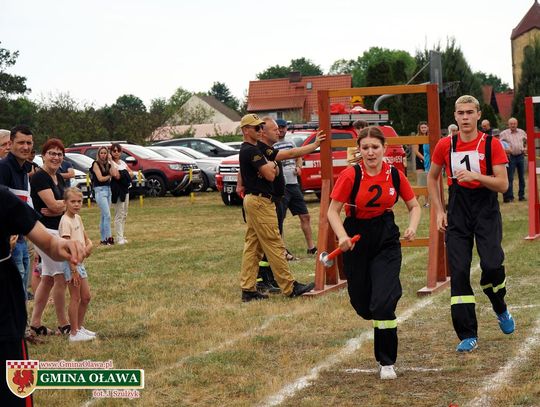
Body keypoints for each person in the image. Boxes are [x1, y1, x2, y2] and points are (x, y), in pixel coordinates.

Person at [327, 126, 420, 380]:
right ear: (359, 149)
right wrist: (342, 236)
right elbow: (332, 211)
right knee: (363, 305)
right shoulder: (350, 175)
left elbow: (413, 206)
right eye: (365, 148)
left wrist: (412, 227)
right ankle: (374, 308)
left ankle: (387, 362)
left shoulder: (395, 175)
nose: (370, 152)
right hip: (356, 236)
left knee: (383, 303)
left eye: (375, 147)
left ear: (384, 148)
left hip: (386, 236)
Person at [427, 95, 514, 353]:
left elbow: (503, 184)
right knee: (460, 271)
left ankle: (500, 305)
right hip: (458, 209)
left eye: (469, 112)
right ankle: (467, 333)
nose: (465, 117)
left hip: (485, 207)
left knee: (492, 265)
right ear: (455, 117)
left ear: (478, 115)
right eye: (460, 113)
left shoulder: (492, 145)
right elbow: (432, 179)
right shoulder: (445, 145)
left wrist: (476, 175)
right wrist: (439, 211)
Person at [0, 185, 85, 406]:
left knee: (14, 387)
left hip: (3, 307)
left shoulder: (2, 197)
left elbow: (47, 242)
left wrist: (62, 245)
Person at [238, 113, 324, 302]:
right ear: (246, 131)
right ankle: (289, 286)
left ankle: (248, 290)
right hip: (260, 202)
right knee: (275, 244)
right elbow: (270, 174)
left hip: (257, 201)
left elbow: (288, 155)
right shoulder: (250, 151)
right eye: (256, 128)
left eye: (261, 127)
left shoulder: (257, 148)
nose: (260, 130)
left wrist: (312, 146)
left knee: (253, 247)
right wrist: (274, 166)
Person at [29, 138, 71, 336]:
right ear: (43, 155)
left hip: (57, 231)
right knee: (60, 277)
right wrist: (62, 206)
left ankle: (35, 323)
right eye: (51, 153)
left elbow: (64, 205)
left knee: (47, 279)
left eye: (59, 154)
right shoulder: (39, 178)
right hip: (44, 233)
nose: (56, 157)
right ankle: (64, 324)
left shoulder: (59, 178)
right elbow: (54, 206)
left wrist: (61, 206)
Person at [274, 118, 317, 254]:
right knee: (279, 219)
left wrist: (299, 166)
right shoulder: (272, 145)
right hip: (281, 186)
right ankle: (282, 250)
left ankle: (311, 247)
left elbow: (298, 156)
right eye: (278, 128)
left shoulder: (290, 142)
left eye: (283, 127)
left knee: (305, 216)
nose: (281, 130)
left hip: (293, 184)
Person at [0, 125, 34, 301]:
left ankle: (24, 327)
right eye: (21, 142)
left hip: (21, 237)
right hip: (9, 241)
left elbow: (23, 203)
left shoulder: (24, 170)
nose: (25, 147)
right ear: (11, 144)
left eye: (29, 143)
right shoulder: (4, 168)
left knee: (22, 288)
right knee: (14, 290)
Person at [59, 187, 96, 342]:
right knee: (75, 298)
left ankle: (79, 328)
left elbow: (86, 240)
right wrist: (73, 269)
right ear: (65, 202)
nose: (76, 204)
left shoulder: (77, 218)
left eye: (79, 201)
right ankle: (73, 333)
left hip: (79, 264)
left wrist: (89, 246)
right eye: (72, 201)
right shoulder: (65, 221)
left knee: (86, 297)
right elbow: (67, 247)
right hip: (71, 265)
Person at [90, 146, 117, 245]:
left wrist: (111, 160)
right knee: (107, 215)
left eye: (105, 153)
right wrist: (109, 176)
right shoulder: (95, 164)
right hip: (100, 191)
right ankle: (109, 237)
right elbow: (100, 178)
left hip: (109, 190)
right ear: (98, 154)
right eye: (101, 153)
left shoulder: (108, 164)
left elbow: (114, 173)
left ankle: (103, 239)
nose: (103, 155)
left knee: (104, 216)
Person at [500, 117, 527, 203]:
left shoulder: (522, 132)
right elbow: (499, 145)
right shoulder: (504, 133)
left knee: (521, 177)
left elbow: (527, 141)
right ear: (508, 124)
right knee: (510, 178)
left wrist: (525, 148)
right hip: (510, 157)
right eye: (511, 124)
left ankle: (521, 196)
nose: (513, 125)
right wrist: (506, 151)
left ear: (517, 124)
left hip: (520, 156)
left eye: (514, 123)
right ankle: (509, 197)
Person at [110, 143, 132, 245]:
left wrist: (123, 174)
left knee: (124, 214)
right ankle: (118, 238)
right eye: (114, 151)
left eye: (118, 151)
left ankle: (122, 235)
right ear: (111, 152)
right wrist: (124, 174)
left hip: (125, 189)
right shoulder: (111, 163)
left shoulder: (122, 162)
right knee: (119, 214)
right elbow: (115, 175)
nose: (116, 153)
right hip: (118, 191)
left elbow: (131, 173)